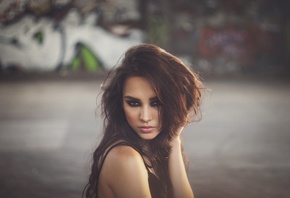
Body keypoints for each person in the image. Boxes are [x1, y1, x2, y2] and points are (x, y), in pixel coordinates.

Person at [83, 43, 203, 198]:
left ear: (173, 103)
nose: (145, 117)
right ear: (120, 104)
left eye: (156, 103)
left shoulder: (152, 148)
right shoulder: (126, 158)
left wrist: (174, 139)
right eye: (133, 103)